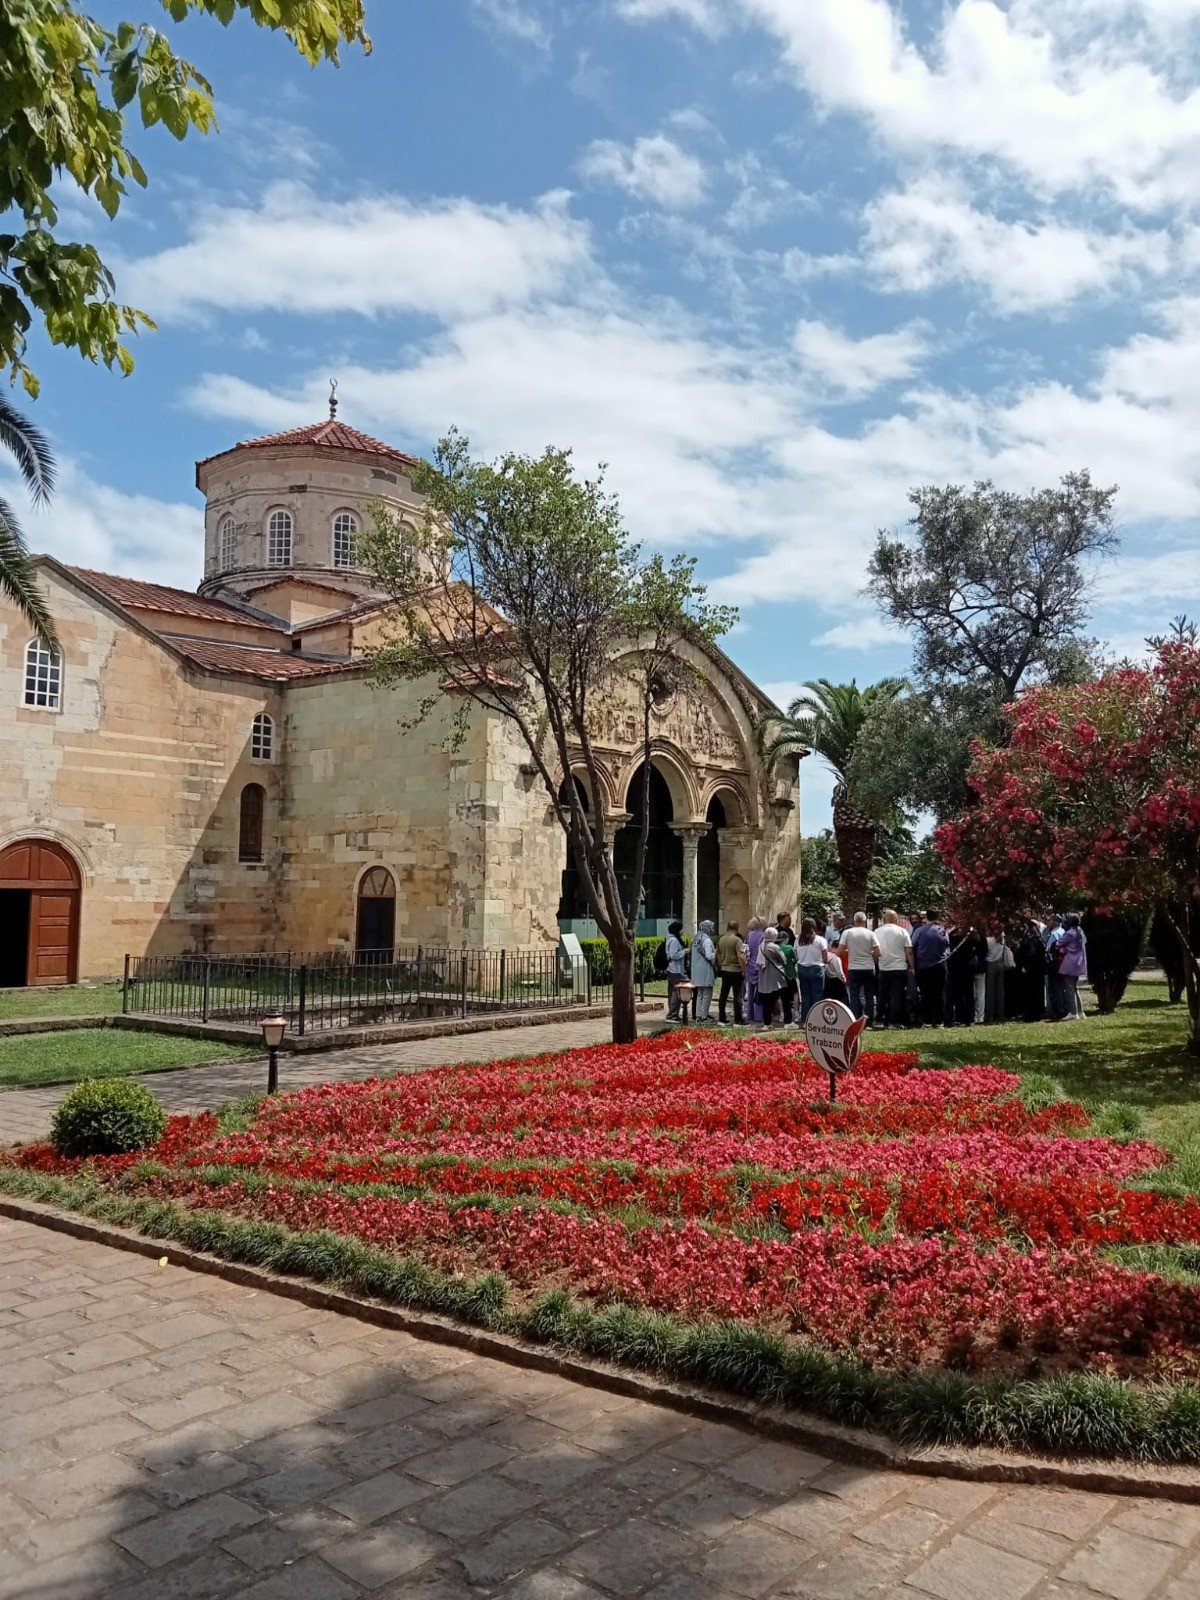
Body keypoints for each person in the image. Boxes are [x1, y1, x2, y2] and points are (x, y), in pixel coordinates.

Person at [874, 908, 913, 1029]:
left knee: (882, 995)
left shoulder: (877, 932)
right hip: (899, 967)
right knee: (896, 995)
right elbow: (909, 951)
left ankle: (879, 1020)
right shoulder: (903, 931)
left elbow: (875, 951)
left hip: (884, 967)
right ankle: (892, 1021)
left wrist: (877, 963)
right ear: (896, 919)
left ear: (884, 918)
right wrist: (912, 967)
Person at [911, 908, 949, 1028]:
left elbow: (912, 945)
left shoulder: (919, 931)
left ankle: (927, 1021)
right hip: (939, 965)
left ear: (926, 917)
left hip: (923, 966)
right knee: (939, 993)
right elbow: (947, 945)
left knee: (925, 994)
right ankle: (939, 1021)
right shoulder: (943, 931)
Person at [842, 911, 881, 1025]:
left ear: (855, 921)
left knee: (854, 995)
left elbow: (840, 951)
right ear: (864, 921)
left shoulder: (847, 933)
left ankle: (855, 1019)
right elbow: (878, 952)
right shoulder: (870, 934)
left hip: (854, 967)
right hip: (868, 967)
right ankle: (869, 1022)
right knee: (869, 996)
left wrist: (850, 952)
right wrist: (869, 952)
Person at [794, 919, 828, 1025]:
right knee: (817, 995)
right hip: (817, 968)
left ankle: (805, 1020)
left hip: (802, 968)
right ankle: (816, 1020)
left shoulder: (798, 940)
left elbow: (796, 955)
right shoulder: (820, 940)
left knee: (805, 996)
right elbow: (825, 958)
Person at [1015, 919, 1048, 1022]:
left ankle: (1031, 1014)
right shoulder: (1040, 939)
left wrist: (1024, 965)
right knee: (1038, 992)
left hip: (1030, 970)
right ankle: (1038, 1012)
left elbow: (1029, 954)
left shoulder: (1029, 939)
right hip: (1039, 969)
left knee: (1030, 993)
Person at [756, 926, 788, 1028]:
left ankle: (767, 1023)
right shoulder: (774, 947)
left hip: (764, 977)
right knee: (785, 999)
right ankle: (788, 1022)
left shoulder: (761, 946)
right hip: (776, 979)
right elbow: (784, 960)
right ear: (774, 936)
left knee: (767, 1002)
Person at [1057, 913, 1088, 1020]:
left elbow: (1058, 943)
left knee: (1069, 988)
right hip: (1079, 962)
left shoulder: (1070, 933)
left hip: (1069, 962)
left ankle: (1073, 1012)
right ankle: (1080, 1011)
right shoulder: (1081, 932)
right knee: (1075, 988)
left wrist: (1064, 949)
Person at [716, 920, 747, 1025]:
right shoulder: (737, 940)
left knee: (723, 994)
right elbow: (741, 956)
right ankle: (738, 1020)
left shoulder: (721, 939)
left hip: (725, 969)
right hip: (736, 970)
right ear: (737, 928)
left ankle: (721, 1018)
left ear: (727, 927)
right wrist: (744, 969)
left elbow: (718, 955)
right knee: (737, 995)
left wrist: (721, 965)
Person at [689, 919, 718, 1024]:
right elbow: (709, 956)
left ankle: (698, 1016)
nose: (712, 930)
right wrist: (717, 953)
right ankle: (704, 1017)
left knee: (699, 995)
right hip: (705, 970)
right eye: (711, 927)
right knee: (707, 995)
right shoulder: (707, 940)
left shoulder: (695, 938)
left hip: (696, 971)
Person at [776, 912, 799, 1024]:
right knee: (790, 991)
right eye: (788, 918)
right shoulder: (777, 931)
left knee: (787, 992)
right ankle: (789, 1013)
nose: (790, 920)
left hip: (785, 969)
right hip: (786, 969)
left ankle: (784, 1013)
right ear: (781, 919)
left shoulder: (790, 932)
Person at [984, 924, 1008, 1024]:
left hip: (991, 964)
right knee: (1000, 991)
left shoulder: (988, 940)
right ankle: (1000, 1014)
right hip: (1000, 964)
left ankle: (989, 1015)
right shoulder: (1002, 940)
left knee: (990, 992)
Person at [664, 920, 688, 1021]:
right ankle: (672, 1014)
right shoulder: (673, 941)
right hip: (675, 970)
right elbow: (673, 955)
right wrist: (684, 952)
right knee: (676, 992)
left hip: (672, 969)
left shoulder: (670, 939)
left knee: (672, 992)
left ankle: (672, 1013)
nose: (682, 931)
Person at [744, 916, 765, 1024]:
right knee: (759, 991)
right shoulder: (763, 935)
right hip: (758, 964)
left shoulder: (749, 934)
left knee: (751, 990)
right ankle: (758, 1015)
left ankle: (750, 1014)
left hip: (750, 964)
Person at [1043, 914, 1065, 1019]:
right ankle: (1063, 1008)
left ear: (1055, 922)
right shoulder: (1063, 932)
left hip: (1053, 964)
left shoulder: (1054, 934)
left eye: (1050, 920)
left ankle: (1057, 1011)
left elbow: (1048, 949)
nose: (1048, 922)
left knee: (1054, 989)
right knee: (1061, 988)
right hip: (1063, 963)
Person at [822, 940, 850, 1005]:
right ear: (835, 948)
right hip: (837, 981)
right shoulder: (836, 958)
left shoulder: (826, 957)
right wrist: (844, 980)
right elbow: (839, 972)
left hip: (828, 981)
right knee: (842, 1002)